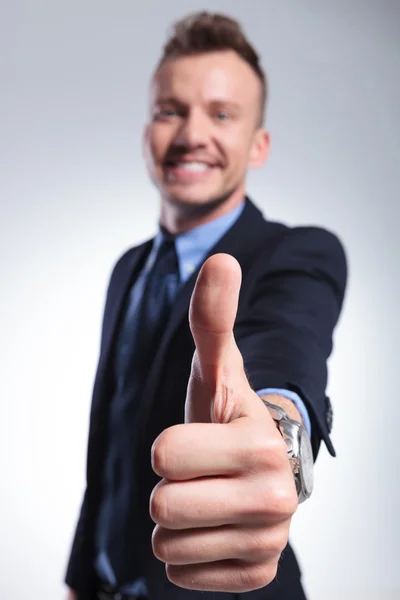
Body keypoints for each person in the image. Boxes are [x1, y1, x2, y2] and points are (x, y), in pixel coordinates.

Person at [65, 11, 347, 600]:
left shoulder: (297, 254)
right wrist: (81, 581)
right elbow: (110, 451)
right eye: (171, 110)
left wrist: (277, 432)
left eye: (222, 114)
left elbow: (288, 349)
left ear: (258, 144)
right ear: (148, 133)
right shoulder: (128, 268)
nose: (193, 133)